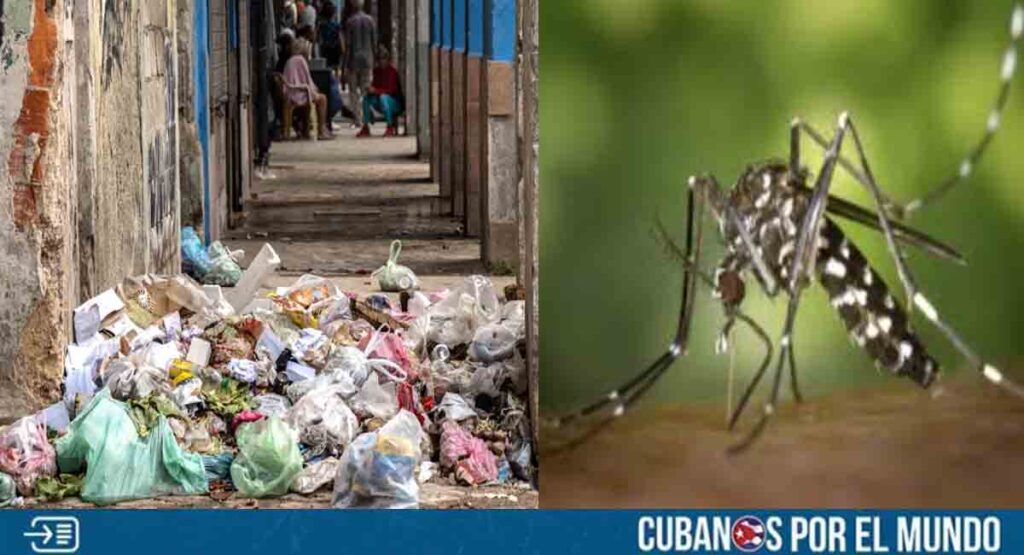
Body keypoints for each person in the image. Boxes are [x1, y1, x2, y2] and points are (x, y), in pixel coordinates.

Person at [282, 38, 332, 140]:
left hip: (291, 92)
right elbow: (306, 79)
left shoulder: (289, 61)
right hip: (300, 93)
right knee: (323, 99)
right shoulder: (301, 60)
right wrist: (314, 90)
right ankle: (322, 129)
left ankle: (306, 130)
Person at [343, 0, 376, 128]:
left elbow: (348, 45)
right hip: (367, 58)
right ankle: (365, 116)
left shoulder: (350, 22)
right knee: (365, 90)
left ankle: (358, 118)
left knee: (353, 91)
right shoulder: (370, 21)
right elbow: (374, 42)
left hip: (354, 59)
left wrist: (344, 64)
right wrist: (374, 60)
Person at [357, 47, 402, 137]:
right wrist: (370, 90)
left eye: (383, 58)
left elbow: (391, 91)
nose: (381, 61)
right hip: (380, 100)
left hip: (393, 102)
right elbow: (375, 86)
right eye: (379, 59)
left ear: (388, 60)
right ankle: (365, 126)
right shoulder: (376, 71)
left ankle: (389, 126)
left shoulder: (392, 72)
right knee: (366, 98)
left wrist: (376, 90)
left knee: (383, 97)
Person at [318, 0, 342, 70]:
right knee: (335, 69)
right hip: (335, 49)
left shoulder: (321, 25)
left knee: (325, 69)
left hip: (325, 49)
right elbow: (340, 40)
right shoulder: (336, 25)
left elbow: (317, 38)